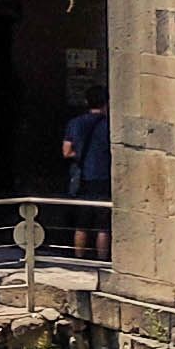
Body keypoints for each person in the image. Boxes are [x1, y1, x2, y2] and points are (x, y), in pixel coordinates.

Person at [63, 85, 113, 260]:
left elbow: (66, 152)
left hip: (83, 176)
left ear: (86, 102)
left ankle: (79, 258)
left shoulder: (75, 123)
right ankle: (102, 260)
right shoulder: (110, 126)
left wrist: (82, 153)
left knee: (82, 223)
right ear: (107, 102)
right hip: (104, 177)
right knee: (103, 225)